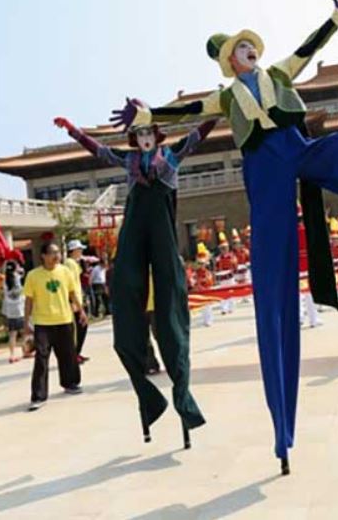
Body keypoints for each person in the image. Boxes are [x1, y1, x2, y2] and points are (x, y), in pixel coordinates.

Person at [113, 0, 338, 473]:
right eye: (242, 48)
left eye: (252, 45)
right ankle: (282, 431)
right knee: (273, 284)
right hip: (265, 173)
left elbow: (307, 49)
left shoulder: (279, 76)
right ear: (230, 60)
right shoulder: (226, 97)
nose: (251, 50)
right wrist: (149, 116)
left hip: (299, 151)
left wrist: (337, 18)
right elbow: (184, 110)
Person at [54, 114, 213, 446]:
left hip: (163, 233)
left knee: (171, 323)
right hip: (136, 230)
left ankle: (183, 398)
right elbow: (98, 150)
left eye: (147, 133)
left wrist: (218, 111)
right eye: (138, 134)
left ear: (155, 135)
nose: (143, 138)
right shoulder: (128, 160)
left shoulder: (170, 156)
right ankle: (150, 399)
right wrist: (74, 131)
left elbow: (196, 137)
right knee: (125, 314)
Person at [23, 242, 87, 411]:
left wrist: (81, 311)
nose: (56, 256)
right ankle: (38, 396)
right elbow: (29, 300)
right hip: (43, 323)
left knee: (68, 354)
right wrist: (26, 323)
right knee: (41, 358)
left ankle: (71, 383)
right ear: (43, 255)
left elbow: (72, 293)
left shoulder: (65, 272)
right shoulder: (33, 275)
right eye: (52, 253)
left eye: (58, 252)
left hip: (64, 319)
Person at [64, 240, 91, 363]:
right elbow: (69, 284)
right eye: (79, 249)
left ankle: (77, 353)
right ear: (73, 250)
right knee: (78, 328)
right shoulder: (69, 263)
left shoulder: (75, 263)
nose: (81, 251)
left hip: (78, 300)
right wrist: (72, 302)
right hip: (74, 302)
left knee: (82, 327)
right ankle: (73, 354)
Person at [2, 261, 27, 362]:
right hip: (19, 308)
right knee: (24, 331)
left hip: (10, 310)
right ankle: (25, 350)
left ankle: (12, 354)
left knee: (12, 333)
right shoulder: (16, 277)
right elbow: (19, 290)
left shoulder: (5, 279)